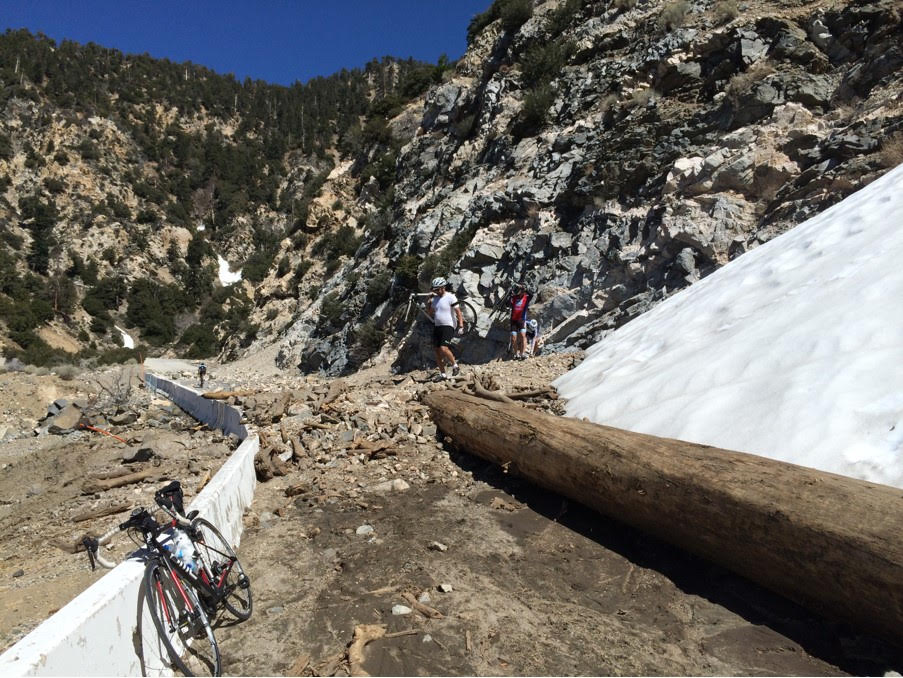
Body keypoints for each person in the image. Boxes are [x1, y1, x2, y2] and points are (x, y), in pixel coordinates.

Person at [425, 276, 463, 379]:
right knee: (437, 351)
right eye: (434, 289)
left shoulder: (451, 297)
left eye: (437, 289)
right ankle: (443, 374)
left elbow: (458, 311)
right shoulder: (435, 299)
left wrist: (461, 325)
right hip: (437, 326)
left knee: (443, 348)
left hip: (448, 325)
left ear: (443, 287)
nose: (436, 291)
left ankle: (455, 366)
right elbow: (430, 313)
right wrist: (429, 301)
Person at [508, 283, 533, 360]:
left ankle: (523, 353)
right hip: (513, 320)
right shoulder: (514, 297)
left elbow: (531, 294)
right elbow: (508, 301)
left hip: (521, 320)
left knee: (523, 336)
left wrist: (524, 288)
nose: (520, 292)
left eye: (522, 291)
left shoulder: (526, 298)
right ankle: (516, 354)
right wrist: (510, 293)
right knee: (513, 338)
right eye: (520, 290)